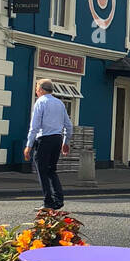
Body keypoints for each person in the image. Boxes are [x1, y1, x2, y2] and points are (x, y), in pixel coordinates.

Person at [24, 79, 73, 209]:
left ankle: (48, 202)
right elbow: (69, 125)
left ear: (40, 89)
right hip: (57, 139)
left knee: (42, 171)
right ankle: (59, 200)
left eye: (36, 89)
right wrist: (65, 142)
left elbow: (34, 126)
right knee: (52, 170)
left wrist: (28, 145)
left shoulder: (41, 102)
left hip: (44, 139)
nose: (36, 91)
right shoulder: (60, 103)